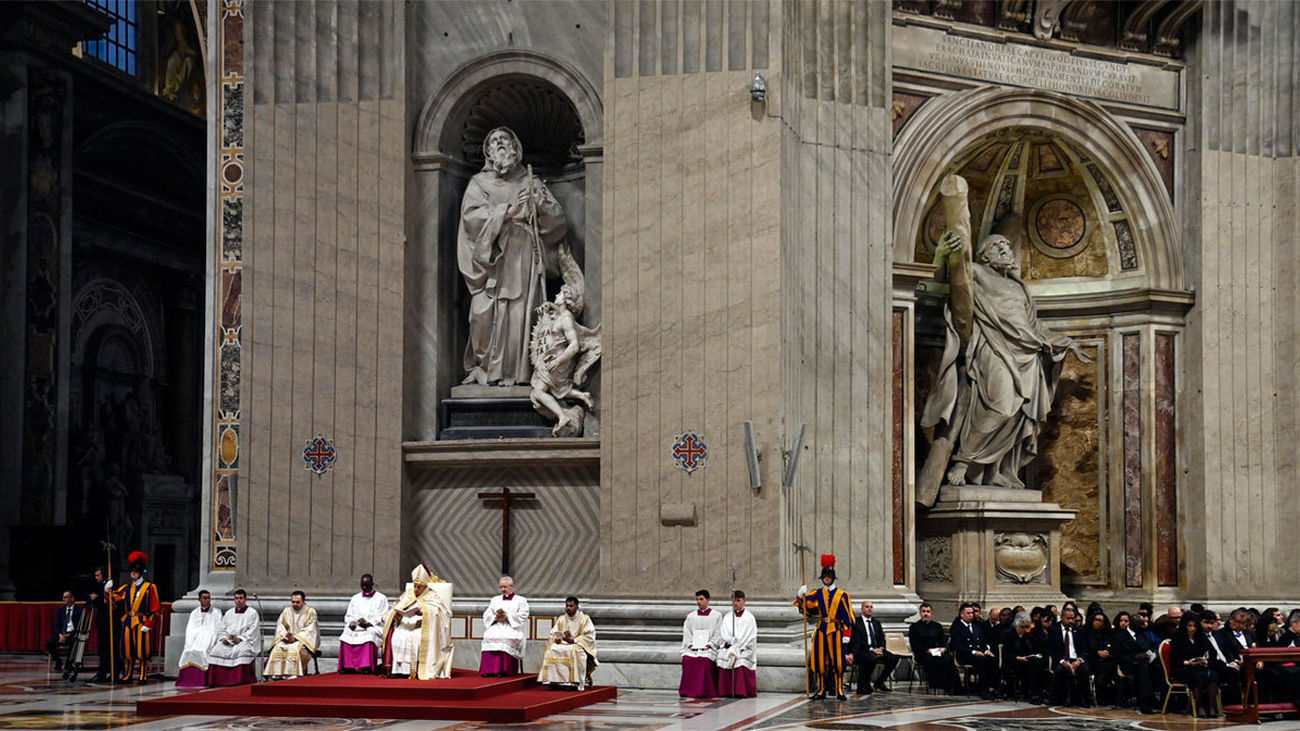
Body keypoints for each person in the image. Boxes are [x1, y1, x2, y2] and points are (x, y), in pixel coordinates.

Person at [918, 213, 1090, 495]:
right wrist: (940, 255)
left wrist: (1064, 342)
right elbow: (940, 282)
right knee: (1000, 405)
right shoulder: (976, 272)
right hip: (993, 348)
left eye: (1007, 248)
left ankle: (995, 469)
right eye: (998, 248)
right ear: (985, 255)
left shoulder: (1019, 287)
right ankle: (964, 461)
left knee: (1019, 414)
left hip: (1026, 355)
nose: (1005, 252)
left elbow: (1033, 327)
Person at [458, 126, 568, 387]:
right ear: (487, 150)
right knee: (482, 316)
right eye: (494, 141)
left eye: (504, 140)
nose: (500, 145)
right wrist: (505, 212)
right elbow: (471, 218)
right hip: (493, 261)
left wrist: (539, 204)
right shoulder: (478, 184)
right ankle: (487, 369)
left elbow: (558, 224)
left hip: (523, 258)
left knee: (521, 314)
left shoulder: (531, 182)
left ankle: (520, 374)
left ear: (515, 148)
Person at [795, 554, 855, 700]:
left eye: (829, 576)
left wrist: (846, 634)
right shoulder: (817, 593)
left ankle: (839, 689)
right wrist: (801, 596)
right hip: (822, 629)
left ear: (833, 578)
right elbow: (807, 607)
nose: (827, 579)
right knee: (820, 661)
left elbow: (848, 617)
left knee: (838, 661)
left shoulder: (842, 595)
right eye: (825, 577)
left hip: (835, 629)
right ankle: (821, 689)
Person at [381, 564, 454, 679]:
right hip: (406, 624)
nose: (415, 589)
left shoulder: (432, 596)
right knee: (398, 636)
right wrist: (396, 614)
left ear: (425, 586)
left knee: (414, 637)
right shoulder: (409, 594)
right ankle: (398, 670)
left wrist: (425, 613)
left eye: (419, 587)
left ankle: (415, 670)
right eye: (415, 586)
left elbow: (440, 614)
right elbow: (395, 606)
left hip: (422, 626)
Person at [106, 551, 160, 683]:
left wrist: (149, 623)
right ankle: (128, 674)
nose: (133, 573)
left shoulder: (149, 588)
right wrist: (107, 590)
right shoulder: (126, 588)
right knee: (127, 650)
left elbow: (155, 608)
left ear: (140, 572)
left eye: (135, 571)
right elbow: (113, 599)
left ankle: (143, 674)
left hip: (142, 621)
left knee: (142, 650)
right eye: (132, 571)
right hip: (128, 621)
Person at [539, 596, 598, 690]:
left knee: (574, 650)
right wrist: (556, 638)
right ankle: (554, 681)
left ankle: (573, 682)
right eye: (567, 606)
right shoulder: (562, 619)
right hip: (563, 643)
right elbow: (553, 633)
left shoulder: (585, 619)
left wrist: (574, 640)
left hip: (578, 644)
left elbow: (589, 636)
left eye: (571, 606)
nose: (568, 608)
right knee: (552, 649)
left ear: (577, 607)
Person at [207, 589, 261, 686]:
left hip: (244, 640)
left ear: (245, 599)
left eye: (241, 598)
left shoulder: (252, 613)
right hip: (229, 640)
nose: (238, 600)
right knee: (216, 649)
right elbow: (222, 629)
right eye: (236, 598)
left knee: (241, 651)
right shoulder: (229, 613)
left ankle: (239, 680)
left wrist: (240, 638)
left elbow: (253, 630)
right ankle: (218, 681)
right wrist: (223, 638)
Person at [1170, 612, 1219, 717]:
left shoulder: (1201, 636)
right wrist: (1188, 662)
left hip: (1199, 666)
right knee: (1195, 677)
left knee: (1212, 675)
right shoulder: (1177, 637)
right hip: (1183, 667)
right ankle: (1199, 706)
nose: (1192, 629)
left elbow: (1212, 653)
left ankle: (1211, 707)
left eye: (1194, 626)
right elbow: (1174, 658)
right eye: (1189, 626)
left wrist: (1206, 660)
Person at [846, 600, 899, 695]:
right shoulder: (856, 622)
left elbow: (882, 639)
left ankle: (879, 682)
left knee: (893, 658)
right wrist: (871, 649)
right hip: (862, 650)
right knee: (871, 658)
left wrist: (881, 648)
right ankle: (864, 684)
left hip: (876, 649)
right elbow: (857, 640)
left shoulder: (876, 623)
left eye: (871, 607)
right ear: (862, 609)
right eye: (867, 607)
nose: (869, 609)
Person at [339, 574, 389, 674]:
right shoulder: (355, 598)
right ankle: (348, 666)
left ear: (372, 584)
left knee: (369, 637)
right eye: (363, 585)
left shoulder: (381, 598)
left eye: (367, 585)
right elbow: (349, 615)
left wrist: (368, 623)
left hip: (371, 626)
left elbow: (383, 615)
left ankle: (366, 666)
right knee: (345, 636)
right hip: (357, 626)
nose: (364, 588)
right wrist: (353, 622)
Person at [1110, 611, 1159, 712]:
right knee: (1142, 668)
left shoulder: (1144, 635)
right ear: (1132, 623)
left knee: (1159, 668)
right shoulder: (1119, 637)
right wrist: (1135, 656)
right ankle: (1145, 703)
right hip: (1128, 664)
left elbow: (1148, 647)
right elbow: (1117, 656)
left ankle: (1163, 701)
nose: (1143, 626)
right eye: (1140, 624)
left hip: (1146, 662)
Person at [480, 576, 529, 676]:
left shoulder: (521, 600)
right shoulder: (495, 600)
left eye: (505, 587)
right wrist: (496, 616)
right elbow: (487, 614)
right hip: (498, 625)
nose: (503, 589)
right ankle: (489, 670)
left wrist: (507, 616)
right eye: (501, 587)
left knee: (505, 638)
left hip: (512, 627)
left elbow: (523, 615)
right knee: (488, 636)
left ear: (512, 586)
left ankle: (503, 670)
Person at [264, 591, 320, 679]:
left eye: (298, 602)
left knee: (293, 648)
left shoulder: (310, 612)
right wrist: (285, 636)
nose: (295, 604)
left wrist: (295, 638)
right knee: (278, 647)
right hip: (287, 639)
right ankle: (277, 674)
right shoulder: (286, 611)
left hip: (302, 641)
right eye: (293, 602)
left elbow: (310, 630)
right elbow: (280, 625)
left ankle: (292, 675)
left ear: (304, 601)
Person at [680, 589, 722, 698]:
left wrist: (711, 644)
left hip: (708, 648)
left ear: (708, 600)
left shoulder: (716, 615)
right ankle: (687, 691)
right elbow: (687, 633)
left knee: (704, 660)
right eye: (697, 599)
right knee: (687, 659)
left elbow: (718, 632)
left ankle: (705, 691)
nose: (699, 601)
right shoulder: (691, 616)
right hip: (693, 648)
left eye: (701, 599)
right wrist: (690, 644)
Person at [950, 602, 998, 698]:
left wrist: (986, 651)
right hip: (964, 655)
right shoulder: (957, 628)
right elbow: (958, 646)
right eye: (968, 613)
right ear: (962, 614)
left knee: (993, 659)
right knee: (983, 661)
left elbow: (982, 642)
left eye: (972, 613)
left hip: (978, 654)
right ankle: (983, 690)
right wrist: (974, 652)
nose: (971, 615)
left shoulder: (976, 627)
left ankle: (993, 688)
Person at [176, 590, 222, 687]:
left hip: (208, 639)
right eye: (205, 598)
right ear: (199, 599)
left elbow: (216, 629)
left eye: (209, 598)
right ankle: (187, 680)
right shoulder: (194, 613)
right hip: (194, 639)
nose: (208, 600)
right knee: (188, 650)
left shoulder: (216, 612)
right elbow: (190, 629)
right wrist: (190, 642)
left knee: (203, 651)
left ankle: (203, 680)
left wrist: (210, 640)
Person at [715, 590, 757, 697]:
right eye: (733, 601)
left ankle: (740, 691)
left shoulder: (749, 617)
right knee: (722, 657)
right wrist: (729, 643)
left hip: (744, 648)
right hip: (729, 647)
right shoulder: (728, 617)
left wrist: (738, 646)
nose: (735, 603)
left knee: (740, 660)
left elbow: (750, 636)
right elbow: (723, 633)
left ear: (744, 601)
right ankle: (725, 691)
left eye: (738, 601)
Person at [1048, 606, 1091, 706]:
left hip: (1076, 659)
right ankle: (1058, 699)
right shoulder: (1054, 631)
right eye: (1068, 618)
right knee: (1059, 670)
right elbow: (1051, 651)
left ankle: (1083, 700)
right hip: (1061, 659)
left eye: (1072, 619)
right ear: (1062, 618)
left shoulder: (1079, 631)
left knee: (1084, 670)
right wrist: (1062, 661)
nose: (1071, 621)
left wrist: (1079, 660)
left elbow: (1085, 649)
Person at [909, 602, 955, 693]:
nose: (926, 614)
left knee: (948, 658)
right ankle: (935, 684)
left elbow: (943, 641)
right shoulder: (914, 627)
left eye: (928, 612)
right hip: (922, 652)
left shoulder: (937, 626)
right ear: (920, 613)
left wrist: (943, 648)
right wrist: (927, 650)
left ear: (931, 613)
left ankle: (950, 686)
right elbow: (914, 644)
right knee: (931, 659)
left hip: (937, 651)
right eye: (924, 611)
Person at [1001, 611, 1045, 703]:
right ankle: (1031, 692)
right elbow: (1006, 653)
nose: (1025, 629)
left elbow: (1032, 649)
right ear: (1017, 624)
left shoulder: (1027, 636)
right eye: (1023, 627)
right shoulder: (1008, 634)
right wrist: (1017, 658)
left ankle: (1036, 692)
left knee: (1037, 664)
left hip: (1025, 661)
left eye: (1027, 627)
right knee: (1030, 667)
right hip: (1012, 661)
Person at [45, 590, 83, 672]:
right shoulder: (60, 611)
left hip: (73, 634)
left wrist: (69, 635)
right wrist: (60, 635)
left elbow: (80, 626)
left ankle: (68, 664)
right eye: (63, 597)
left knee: (74, 642)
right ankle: (58, 660)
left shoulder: (79, 610)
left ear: (72, 598)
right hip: (62, 633)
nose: (64, 599)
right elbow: (56, 625)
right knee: (49, 642)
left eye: (66, 597)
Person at [87, 567, 113, 682]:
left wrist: (96, 599)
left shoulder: (109, 586)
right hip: (101, 621)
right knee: (102, 649)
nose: (96, 578)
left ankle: (111, 672)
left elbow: (104, 603)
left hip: (109, 621)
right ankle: (102, 672)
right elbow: (92, 601)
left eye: (98, 575)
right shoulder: (97, 586)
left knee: (108, 649)